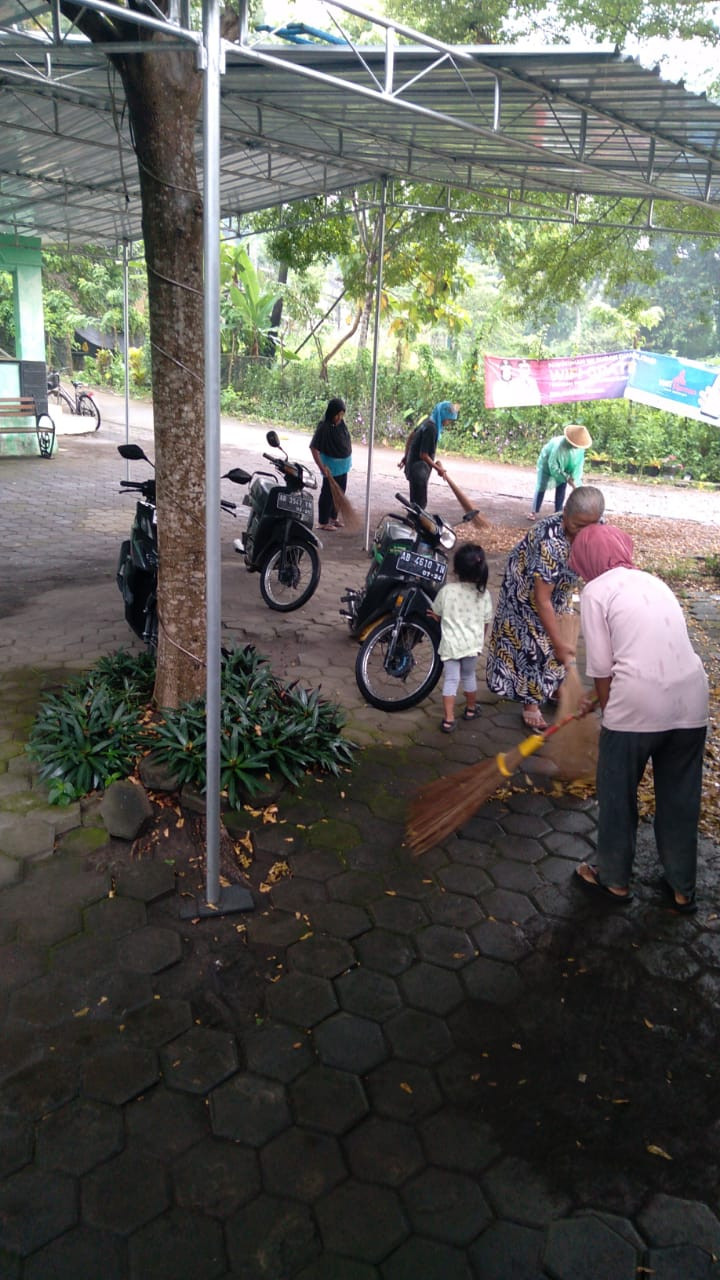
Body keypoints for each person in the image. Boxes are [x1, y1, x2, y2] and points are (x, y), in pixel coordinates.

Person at [569, 523, 708, 912]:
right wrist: (597, 701)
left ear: (585, 559)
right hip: (691, 704)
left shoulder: (595, 591)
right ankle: (682, 889)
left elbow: (602, 667)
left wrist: (605, 708)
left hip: (634, 710)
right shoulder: (654, 582)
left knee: (617, 796)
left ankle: (613, 881)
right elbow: (648, 650)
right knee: (681, 799)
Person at [485, 485, 605, 731]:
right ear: (565, 517)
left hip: (560, 587)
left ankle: (551, 689)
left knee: (558, 634)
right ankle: (531, 702)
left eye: (590, 526)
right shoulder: (550, 542)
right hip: (526, 588)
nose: (584, 533)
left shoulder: (598, 527)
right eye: (577, 526)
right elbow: (542, 600)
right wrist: (559, 644)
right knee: (535, 641)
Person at [431, 543, 493, 733]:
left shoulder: (447, 591)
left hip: (450, 645)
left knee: (451, 680)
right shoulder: (484, 594)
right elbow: (486, 621)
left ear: (456, 569)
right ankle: (471, 709)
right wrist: (479, 640)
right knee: (469, 676)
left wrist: (437, 617)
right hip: (471, 646)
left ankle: (449, 719)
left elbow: (437, 613)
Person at [400, 400, 459, 508]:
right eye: (448, 419)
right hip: (419, 471)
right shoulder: (432, 429)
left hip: (413, 466)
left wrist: (406, 456)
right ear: (443, 415)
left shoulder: (428, 422)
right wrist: (438, 468)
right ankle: (414, 523)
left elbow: (410, 437)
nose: (448, 423)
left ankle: (413, 521)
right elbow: (423, 455)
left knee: (415, 504)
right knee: (419, 506)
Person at [529, 424, 592, 519]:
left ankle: (558, 513)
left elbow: (578, 466)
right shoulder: (559, 447)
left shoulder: (579, 450)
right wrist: (566, 477)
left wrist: (574, 481)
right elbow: (553, 466)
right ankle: (534, 511)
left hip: (566, 467)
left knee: (562, 487)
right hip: (547, 464)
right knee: (541, 485)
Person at [310, 397, 352, 531]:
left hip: (343, 467)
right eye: (337, 414)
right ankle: (323, 521)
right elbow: (314, 448)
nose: (340, 417)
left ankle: (333, 518)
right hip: (331, 467)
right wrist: (321, 467)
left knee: (340, 492)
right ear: (331, 413)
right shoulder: (324, 427)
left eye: (342, 414)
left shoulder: (341, 424)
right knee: (328, 494)